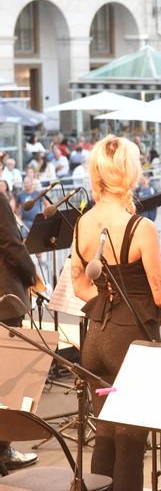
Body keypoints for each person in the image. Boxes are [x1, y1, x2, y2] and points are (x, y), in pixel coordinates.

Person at [69, 135, 161, 490]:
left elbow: (80, 285)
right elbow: (160, 292)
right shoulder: (140, 228)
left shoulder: (83, 223)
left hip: (96, 342)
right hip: (130, 344)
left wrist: (105, 302)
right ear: (129, 172)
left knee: (107, 432)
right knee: (131, 441)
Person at [0, 190, 39, 470]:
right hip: (4, 302)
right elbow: (12, 246)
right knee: (7, 382)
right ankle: (3, 451)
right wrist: (33, 276)